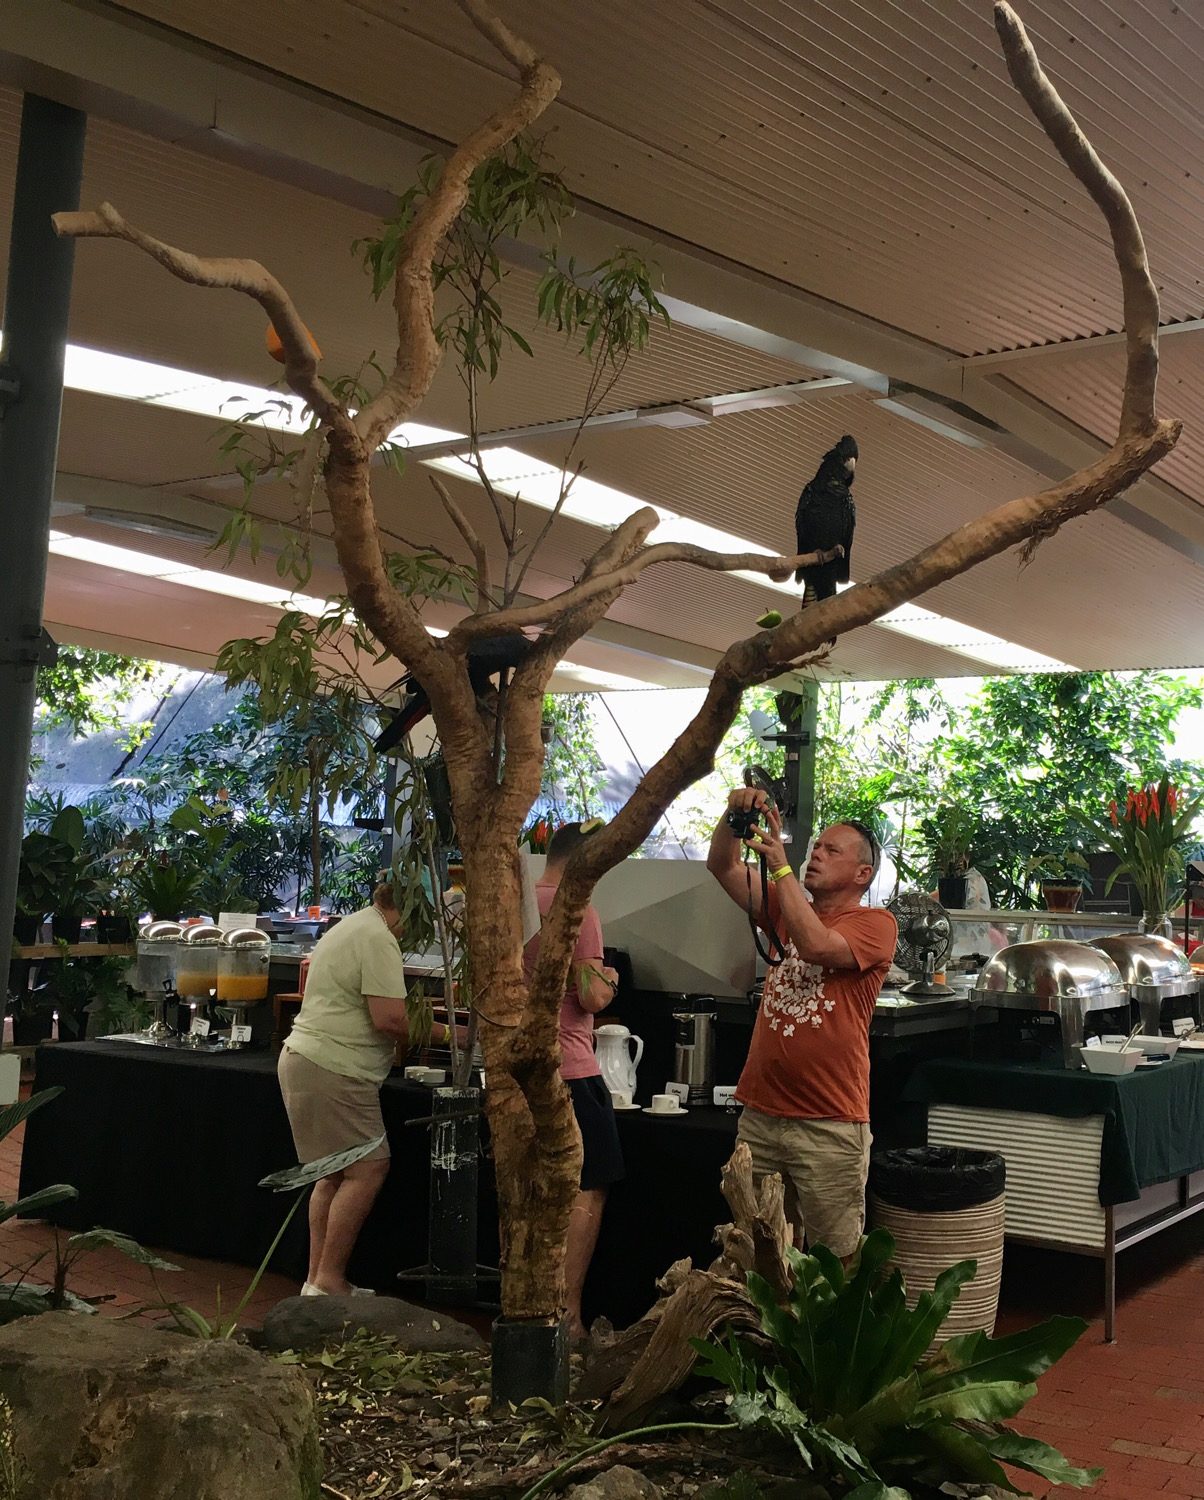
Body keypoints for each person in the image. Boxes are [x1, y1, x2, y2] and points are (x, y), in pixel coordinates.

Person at [707, 791, 897, 1261]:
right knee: (755, 1256)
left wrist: (780, 867)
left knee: (836, 1262)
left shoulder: (876, 924)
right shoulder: (783, 906)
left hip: (829, 1122)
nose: (816, 854)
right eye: (815, 847)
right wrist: (735, 814)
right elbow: (723, 866)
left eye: (832, 850)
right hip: (761, 1114)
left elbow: (816, 945)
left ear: (862, 874)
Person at [278, 878, 458, 1297]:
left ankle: (317, 1283)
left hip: (308, 1059)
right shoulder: (377, 938)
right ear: (410, 910)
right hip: (335, 1066)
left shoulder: (352, 925)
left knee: (333, 1173)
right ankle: (328, 1278)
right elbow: (390, 1019)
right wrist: (453, 1034)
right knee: (367, 1168)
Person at [523, 821, 623, 1342]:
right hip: (571, 1069)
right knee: (589, 1183)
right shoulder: (578, 909)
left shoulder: (516, 906)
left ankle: (527, 1309)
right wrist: (609, 980)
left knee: (529, 1185)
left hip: (516, 1071)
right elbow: (591, 996)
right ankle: (567, 1316)